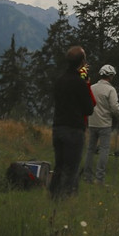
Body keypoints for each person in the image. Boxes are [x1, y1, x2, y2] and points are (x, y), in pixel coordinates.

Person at [49, 46, 96, 199]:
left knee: (59, 166)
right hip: (74, 129)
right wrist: (87, 84)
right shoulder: (80, 83)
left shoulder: (59, 80)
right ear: (82, 62)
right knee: (71, 168)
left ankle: (53, 197)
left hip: (58, 127)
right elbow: (89, 109)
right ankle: (67, 199)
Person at [84, 64, 119, 185]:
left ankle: (87, 177)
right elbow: (114, 107)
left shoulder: (92, 87)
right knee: (104, 150)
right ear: (110, 76)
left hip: (92, 122)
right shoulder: (110, 90)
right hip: (105, 124)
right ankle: (99, 179)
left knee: (90, 150)